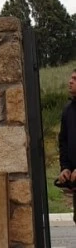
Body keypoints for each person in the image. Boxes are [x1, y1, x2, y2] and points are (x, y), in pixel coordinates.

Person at [58, 69, 76, 222]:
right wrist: (65, 167)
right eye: (71, 78)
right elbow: (63, 141)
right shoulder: (67, 111)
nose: (70, 81)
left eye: (75, 79)